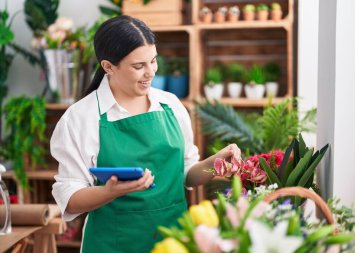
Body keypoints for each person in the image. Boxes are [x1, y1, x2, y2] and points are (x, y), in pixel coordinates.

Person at [51, 15, 241, 253]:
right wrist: (108, 192)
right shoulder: (80, 118)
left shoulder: (170, 105)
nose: (150, 72)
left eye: (153, 61)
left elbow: (186, 174)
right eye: (138, 66)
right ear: (108, 67)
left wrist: (215, 163)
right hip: (114, 244)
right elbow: (69, 197)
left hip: (175, 242)